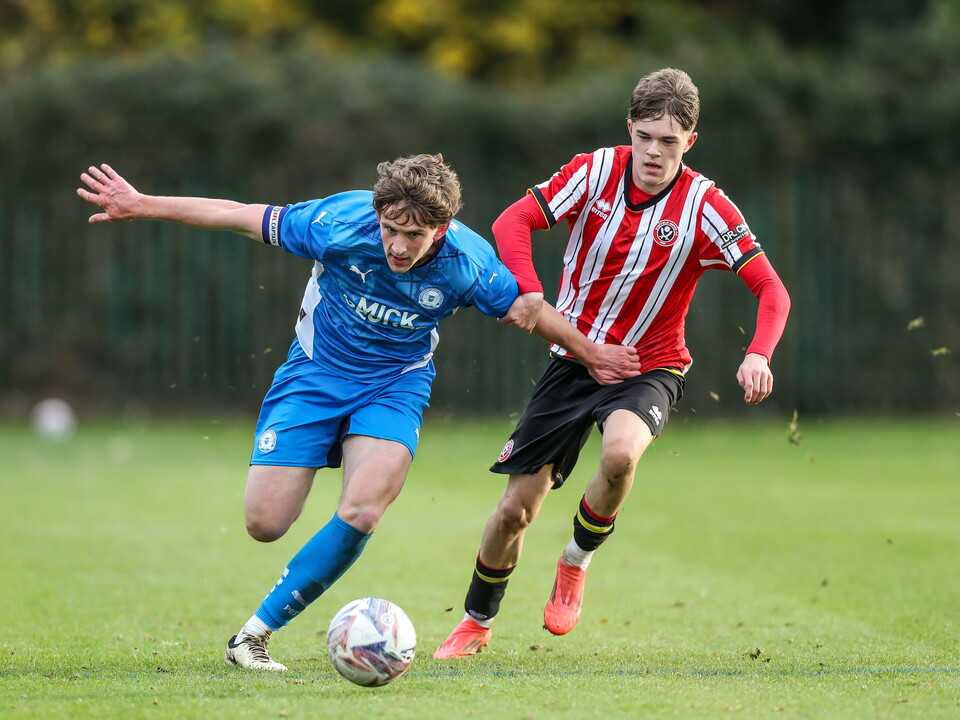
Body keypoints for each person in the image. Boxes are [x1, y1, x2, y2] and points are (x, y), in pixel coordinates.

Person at [77, 154, 638, 672]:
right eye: (390, 230)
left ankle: (252, 636)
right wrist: (142, 204)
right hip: (313, 377)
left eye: (413, 236)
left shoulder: (467, 261)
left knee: (364, 508)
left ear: (441, 229)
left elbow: (526, 310)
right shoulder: (337, 222)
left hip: (395, 387)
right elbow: (240, 215)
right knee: (264, 524)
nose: (397, 245)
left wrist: (594, 354)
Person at [434, 68, 792, 659]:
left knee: (622, 452)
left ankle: (575, 561)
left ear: (690, 142)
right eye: (645, 135)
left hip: (649, 366)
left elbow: (772, 290)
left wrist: (759, 352)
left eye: (669, 142)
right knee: (514, 512)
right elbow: (511, 221)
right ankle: (475, 621)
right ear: (630, 127)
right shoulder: (595, 170)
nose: (654, 151)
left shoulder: (707, 208)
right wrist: (530, 291)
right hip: (574, 357)